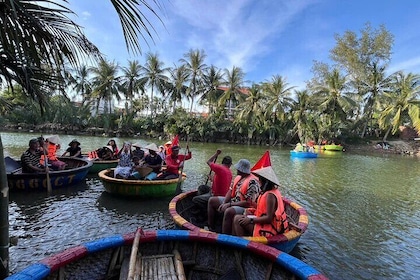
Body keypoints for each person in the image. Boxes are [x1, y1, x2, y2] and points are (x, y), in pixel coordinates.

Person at [232, 166, 289, 237]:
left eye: (260, 180)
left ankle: (242, 244)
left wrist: (250, 220)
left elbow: (269, 218)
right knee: (238, 216)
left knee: (237, 220)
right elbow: (262, 210)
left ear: (266, 182)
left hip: (270, 228)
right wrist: (251, 211)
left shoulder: (270, 195)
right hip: (265, 223)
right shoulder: (270, 192)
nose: (259, 181)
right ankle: (236, 240)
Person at [207, 159, 260, 234]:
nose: (236, 169)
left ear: (242, 170)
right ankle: (211, 227)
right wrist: (224, 202)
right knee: (212, 200)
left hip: (246, 207)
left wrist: (229, 204)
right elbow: (230, 191)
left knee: (229, 211)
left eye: (238, 168)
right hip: (234, 201)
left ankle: (225, 236)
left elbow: (248, 203)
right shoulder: (238, 177)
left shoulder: (253, 182)